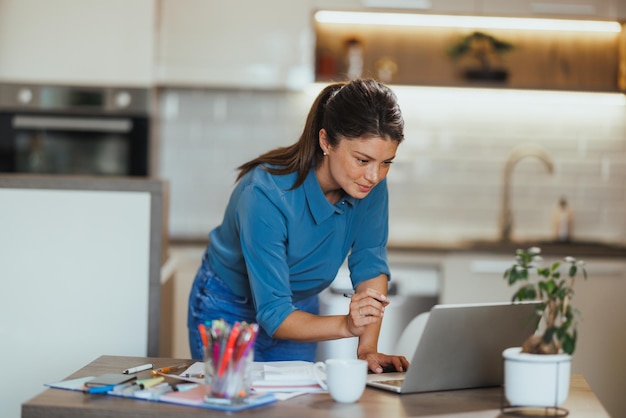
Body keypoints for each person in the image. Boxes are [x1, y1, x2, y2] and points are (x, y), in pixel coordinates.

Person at [187, 78, 409, 374]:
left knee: (293, 408)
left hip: (299, 304)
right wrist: (346, 324)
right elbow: (275, 315)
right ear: (326, 141)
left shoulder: (367, 186)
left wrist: (367, 348)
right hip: (228, 307)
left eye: (386, 163)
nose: (374, 175)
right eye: (362, 159)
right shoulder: (264, 195)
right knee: (231, 403)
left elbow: (370, 260)